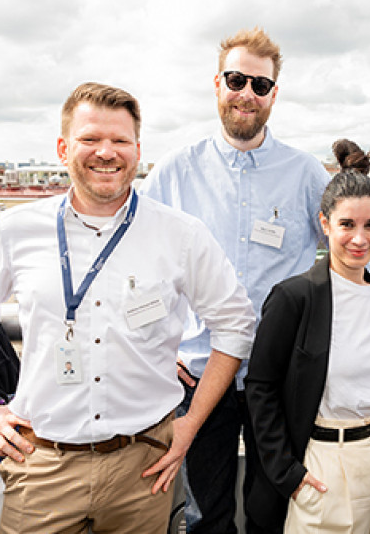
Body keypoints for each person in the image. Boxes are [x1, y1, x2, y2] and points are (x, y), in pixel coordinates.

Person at [0, 82, 255, 533]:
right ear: (63, 148)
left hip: (145, 466)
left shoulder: (181, 235)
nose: (106, 152)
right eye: (90, 139)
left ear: (138, 151)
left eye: (120, 140)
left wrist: (190, 426)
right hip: (42, 465)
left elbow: (236, 324)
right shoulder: (14, 230)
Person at [140, 27, 330, 533]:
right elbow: (133, 266)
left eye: (260, 85)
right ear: (217, 84)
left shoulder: (306, 173)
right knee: (206, 516)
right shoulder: (175, 172)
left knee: (275, 513)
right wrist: (156, 346)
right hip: (198, 373)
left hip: (279, 373)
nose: (247, 93)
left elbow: (352, 254)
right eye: (236, 80)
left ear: (273, 95)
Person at [245, 140, 370, 534]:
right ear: (325, 224)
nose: (360, 239)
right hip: (328, 465)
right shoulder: (293, 297)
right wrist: (286, 473)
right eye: (347, 225)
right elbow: (260, 387)